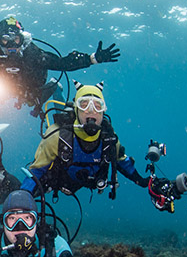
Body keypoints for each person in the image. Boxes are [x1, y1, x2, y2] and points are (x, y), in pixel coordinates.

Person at [20, 80, 149, 199]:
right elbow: (37, 170)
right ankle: (56, 91)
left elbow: (121, 161)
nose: (91, 111)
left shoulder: (109, 139)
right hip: (60, 180)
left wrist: (143, 182)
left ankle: (58, 90)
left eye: (98, 106)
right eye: (84, 105)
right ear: (77, 109)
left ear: (103, 111)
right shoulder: (56, 136)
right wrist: (23, 196)